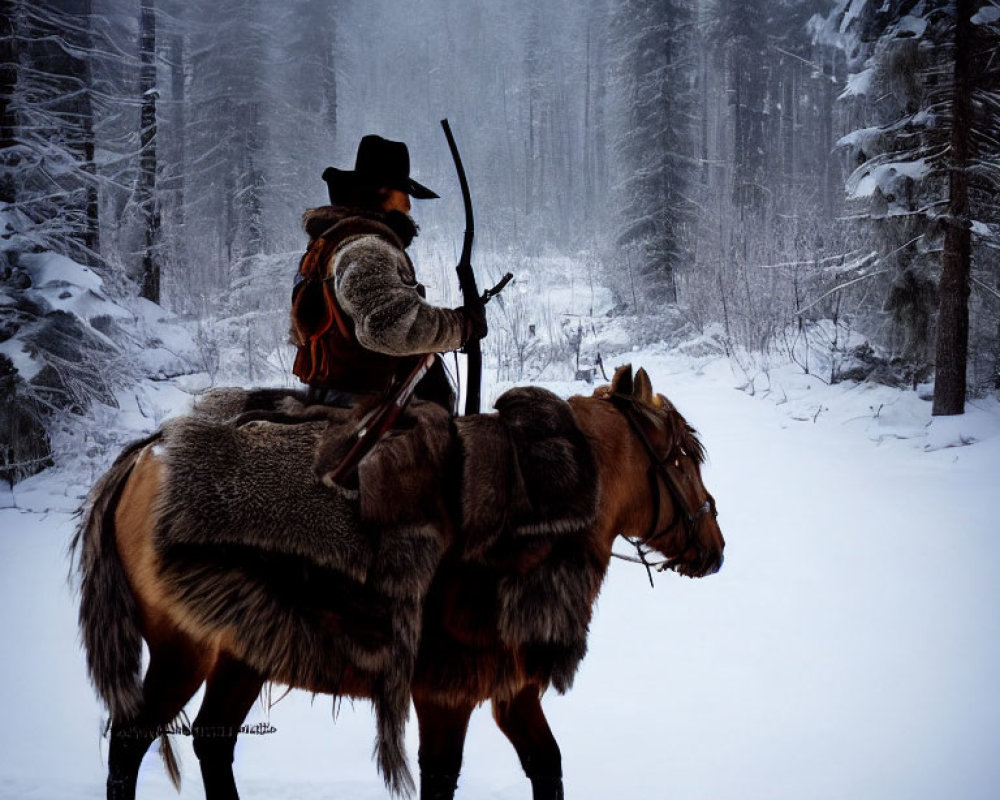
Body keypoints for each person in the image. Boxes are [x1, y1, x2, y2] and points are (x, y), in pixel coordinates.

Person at [290, 134, 486, 410]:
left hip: (347, 397)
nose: (408, 205)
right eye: (403, 192)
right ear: (381, 192)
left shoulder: (337, 244)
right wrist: (461, 326)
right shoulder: (367, 250)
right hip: (367, 406)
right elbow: (391, 327)